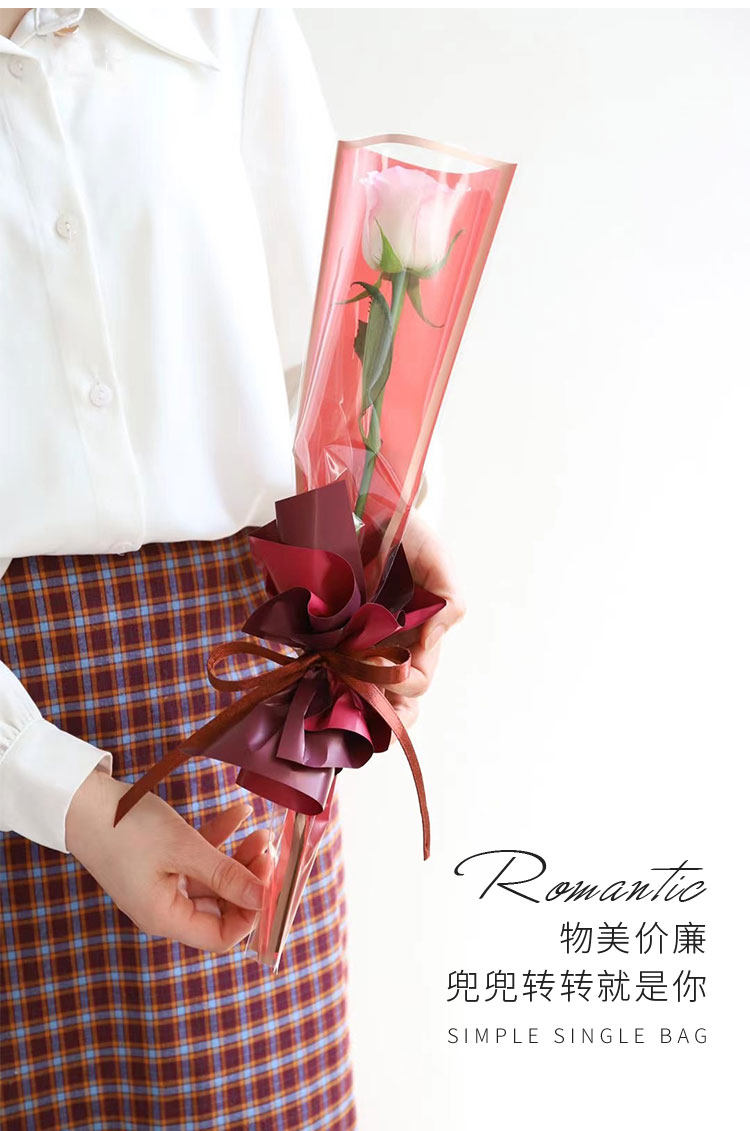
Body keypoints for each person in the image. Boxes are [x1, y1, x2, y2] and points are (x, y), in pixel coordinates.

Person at [0, 8, 465, 1130]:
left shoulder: (225, 22)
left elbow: (327, 348)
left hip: (239, 702)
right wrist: (67, 797)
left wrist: (389, 533)